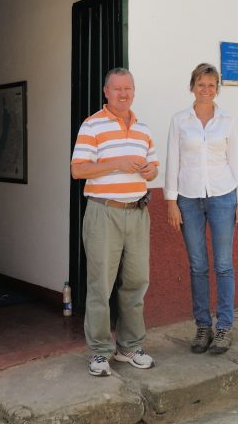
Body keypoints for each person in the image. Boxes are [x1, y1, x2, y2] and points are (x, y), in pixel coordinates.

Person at [71, 67, 159, 376]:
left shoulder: (143, 128)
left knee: (136, 283)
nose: (124, 94)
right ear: (106, 92)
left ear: (134, 92)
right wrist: (117, 163)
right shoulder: (92, 126)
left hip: (137, 212)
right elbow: (78, 170)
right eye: (118, 89)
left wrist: (150, 172)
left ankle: (129, 347)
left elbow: (154, 168)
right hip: (103, 212)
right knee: (101, 285)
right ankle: (98, 352)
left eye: (129, 89)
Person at [165, 63, 238, 355]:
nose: (206, 90)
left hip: (223, 196)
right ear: (192, 87)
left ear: (217, 89)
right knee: (198, 264)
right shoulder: (179, 121)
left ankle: (224, 326)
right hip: (188, 198)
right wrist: (171, 202)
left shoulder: (227, 120)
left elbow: (236, 160)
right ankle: (203, 326)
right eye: (201, 84)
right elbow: (173, 160)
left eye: (212, 85)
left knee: (223, 264)